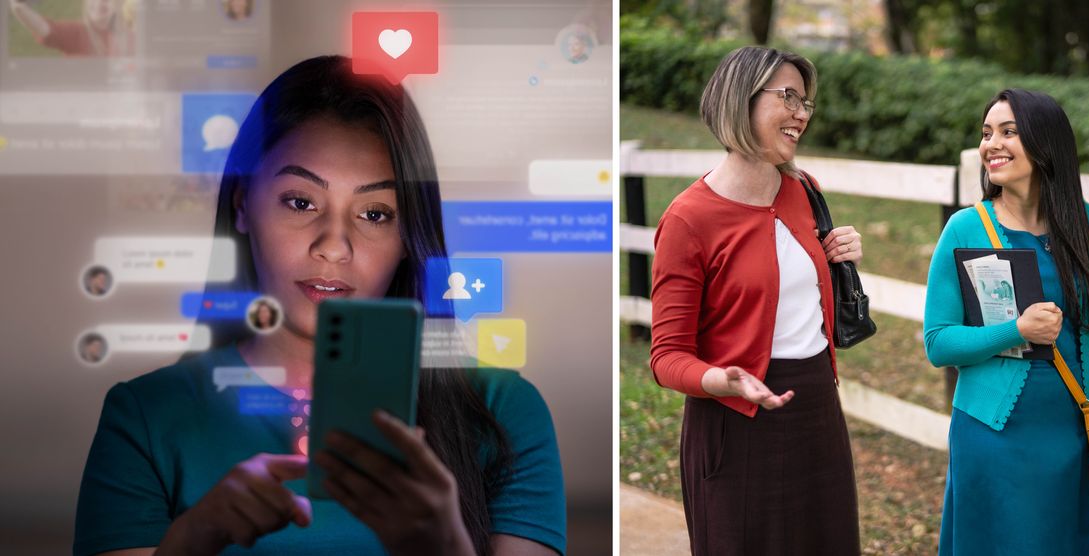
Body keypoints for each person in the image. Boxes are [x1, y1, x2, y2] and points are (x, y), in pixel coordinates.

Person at [74, 56, 566, 556]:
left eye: (375, 213)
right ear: (243, 205)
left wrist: (443, 547)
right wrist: (190, 542)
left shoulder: (504, 412)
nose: (334, 246)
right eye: (301, 202)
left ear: (407, 237)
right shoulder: (144, 417)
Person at [924, 88, 1089, 555]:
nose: (992, 143)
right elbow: (938, 343)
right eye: (987, 133)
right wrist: (1015, 331)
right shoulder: (964, 228)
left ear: (1045, 143)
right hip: (989, 439)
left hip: (1072, 436)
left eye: (1009, 132)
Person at [649, 45, 864, 555]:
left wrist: (841, 255)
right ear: (738, 99)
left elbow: (799, 296)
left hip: (815, 403)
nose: (800, 114)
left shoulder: (804, 189)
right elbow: (665, 358)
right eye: (788, 97)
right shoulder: (688, 219)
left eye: (806, 103)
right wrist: (720, 379)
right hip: (735, 418)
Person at [8, 0, 135, 57]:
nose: (99, 3)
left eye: (107, 0)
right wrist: (18, 4)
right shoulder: (77, 32)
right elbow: (43, 27)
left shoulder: (129, 38)